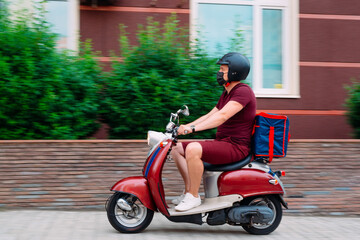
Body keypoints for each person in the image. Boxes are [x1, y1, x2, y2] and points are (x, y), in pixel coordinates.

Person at [171, 52, 256, 212]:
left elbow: (222, 116)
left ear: (234, 72)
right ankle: (189, 191)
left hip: (236, 147)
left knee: (193, 149)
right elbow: (210, 115)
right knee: (176, 149)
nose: (219, 73)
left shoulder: (243, 91)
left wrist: (193, 129)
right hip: (224, 143)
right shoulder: (227, 93)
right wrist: (186, 127)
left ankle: (194, 196)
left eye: (223, 69)